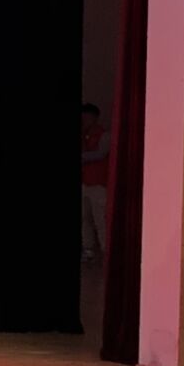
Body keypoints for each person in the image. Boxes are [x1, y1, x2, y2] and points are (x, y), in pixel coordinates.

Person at [81, 105, 108, 261]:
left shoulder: (104, 135)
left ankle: (106, 251)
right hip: (85, 183)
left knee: (100, 219)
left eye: (87, 117)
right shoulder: (83, 135)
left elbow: (100, 154)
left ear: (94, 117)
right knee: (85, 219)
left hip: (99, 185)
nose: (84, 120)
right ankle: (88, 249)